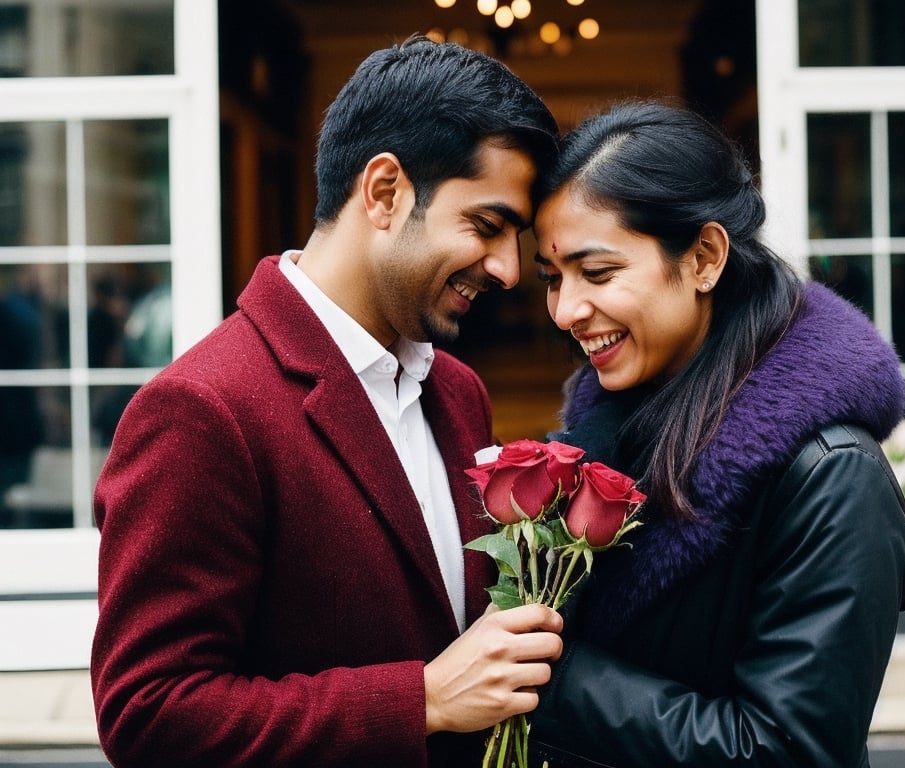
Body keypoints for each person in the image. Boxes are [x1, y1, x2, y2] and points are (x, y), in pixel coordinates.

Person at [90, 36, 564, 768]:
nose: (506, 268)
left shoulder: (457, 390)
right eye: (485, 225)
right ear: (383, 192)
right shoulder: (201, 409)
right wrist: (422, 700)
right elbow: (148, 715)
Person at [528, 102, 905, 767]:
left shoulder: (831, 474)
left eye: (597, 273)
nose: (567, 310)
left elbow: (789, 751)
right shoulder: (616, 424)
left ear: (705, 258)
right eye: (553, 278)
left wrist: (554, 676)